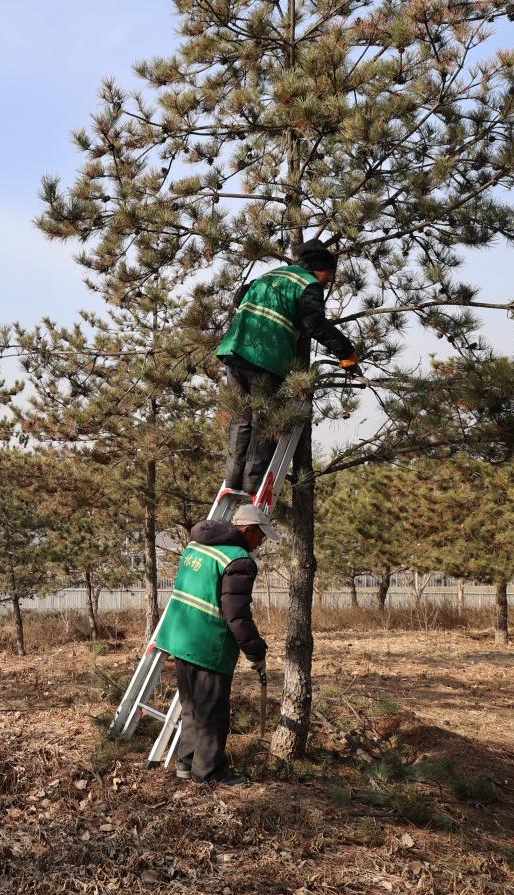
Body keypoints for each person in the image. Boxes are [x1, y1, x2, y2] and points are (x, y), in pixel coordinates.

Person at [217, 240, 359, 496]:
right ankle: (252, 485)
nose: (328, 282)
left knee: (241, 419)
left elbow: (239, 297)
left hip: (234, 351)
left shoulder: (269, 276)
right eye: (329, 276)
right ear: (319, 269)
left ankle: (233, 480)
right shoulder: (308, 284)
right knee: (263, 422)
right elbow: (315, 324)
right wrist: (347, 354)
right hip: (264, 358)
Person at [154, 503, 274, 786]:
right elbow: (237, 615)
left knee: (191, 706)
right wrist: (256, 651)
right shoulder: (239, 561)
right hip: (208, 644)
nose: (261, 542)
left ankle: (186, 764)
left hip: (180, 636)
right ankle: (208, 772)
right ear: (248, 530)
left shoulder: (197, 545)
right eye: (261, 535)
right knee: (213, 711)